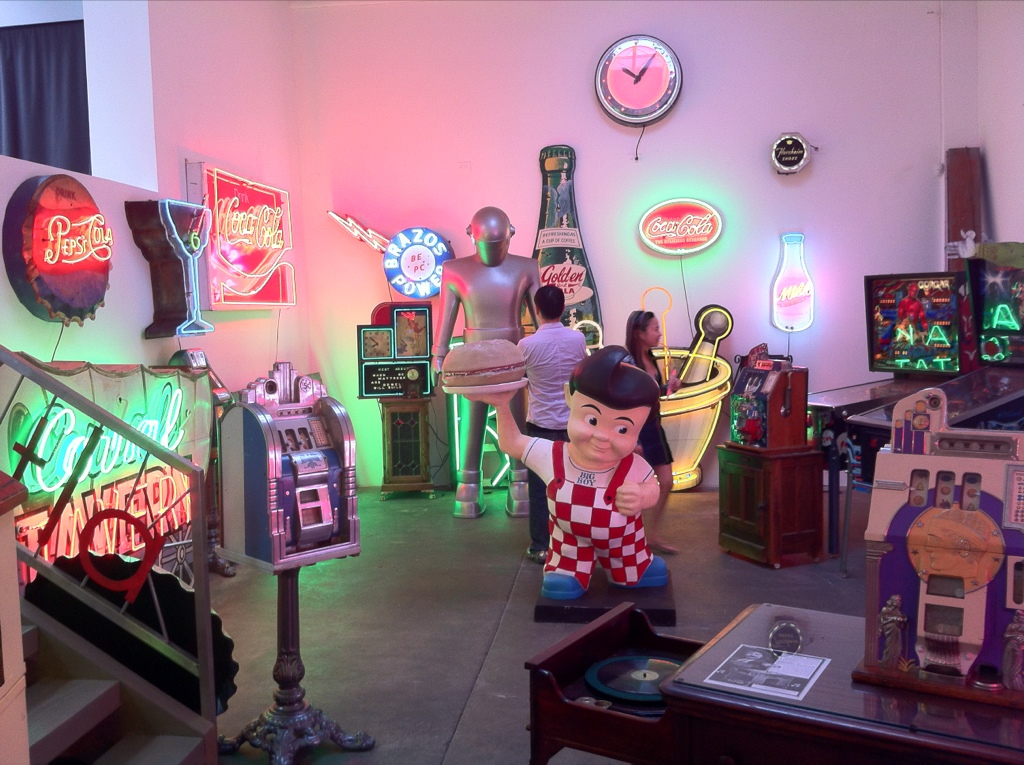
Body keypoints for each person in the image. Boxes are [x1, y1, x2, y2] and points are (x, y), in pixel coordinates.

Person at [475, 345, 667, 600]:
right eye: (592, 420)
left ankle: (635, 568)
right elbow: (512, 443)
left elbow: (653, 487)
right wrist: (501, 405)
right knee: (564, 577)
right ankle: (568, 571)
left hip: (623, 541)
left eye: (622, 430)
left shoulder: (632, 465)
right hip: (569, 542)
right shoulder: (553, 455)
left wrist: (642, 495)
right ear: (568, 396)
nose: (602, 436)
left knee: (632, 570)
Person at [431, 207, 540, 518]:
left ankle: (474, 488)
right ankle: (513, 486)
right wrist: (438, 353)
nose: (493, 251)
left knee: (484, 418)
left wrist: (439, 354)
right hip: (506, 354)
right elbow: (542, 318)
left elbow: (447, 319)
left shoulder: (459, 270)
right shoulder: (524, 267)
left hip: (488, 355)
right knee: (500, 417)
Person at [518, 285, 588, 564]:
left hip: (540, 426)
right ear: (563, 308)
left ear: (535, 310)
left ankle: (540, 547)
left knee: (539, 489)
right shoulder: (577, 339)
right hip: (572, 425)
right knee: (575, 486)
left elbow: (520, 378)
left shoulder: (526, 345)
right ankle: (576, 543)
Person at [625, 310, 682, 553]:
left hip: (654, 427)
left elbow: (650, 392)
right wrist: (632, 438)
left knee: (666, 482)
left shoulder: (650, 357)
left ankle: (652, 535)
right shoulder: (628, 362)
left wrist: (669, 387)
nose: (659, 333)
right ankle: (630, 537)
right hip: (637, 430)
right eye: (655, 329)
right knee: (632, 488)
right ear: (639, 333)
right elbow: (628, 402)